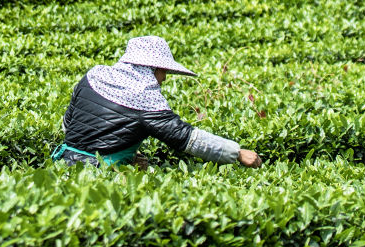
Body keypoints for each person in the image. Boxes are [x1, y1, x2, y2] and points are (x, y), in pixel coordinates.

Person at [53, 34, 262, 169]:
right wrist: (236, 153)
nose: (164, 78)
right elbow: (187, 138)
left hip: (62, 165)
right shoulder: (145, 98)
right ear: (152, 68)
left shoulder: (93, 76)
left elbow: (67, 124)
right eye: (163, 71)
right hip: (99, 173)